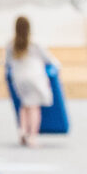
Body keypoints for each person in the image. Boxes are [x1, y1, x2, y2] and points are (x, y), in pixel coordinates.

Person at [6, 16, 55, 149]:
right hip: (34, 77)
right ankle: (32, 136)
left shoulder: (11, 45)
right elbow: (49, 59)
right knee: (34, 107)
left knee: (24, 105)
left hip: (19, 77)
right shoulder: (35, 43)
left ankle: (22, 131)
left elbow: (7, 63)